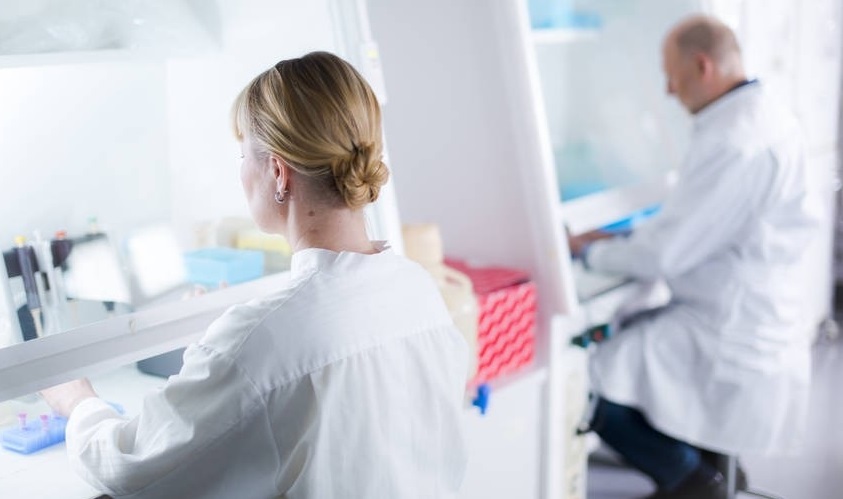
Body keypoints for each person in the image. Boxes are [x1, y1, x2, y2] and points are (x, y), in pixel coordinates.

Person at [41, 51, 469, 498]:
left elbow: (128, 467)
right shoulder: (417, 290)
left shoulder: (261, 343)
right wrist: (218, 354)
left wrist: (76, 401)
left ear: (279, 173)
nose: (241, 171)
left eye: (243, 154)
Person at [568, 15, 823, 499]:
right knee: (634, 342)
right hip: (749, 307)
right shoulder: (760, 116)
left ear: (703, 66)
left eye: (672, 75)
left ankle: (693, 480)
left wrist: (592, 251)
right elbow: (696, 223)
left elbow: (666, 254)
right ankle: (713, 471)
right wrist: (622, 237)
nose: (668, 90)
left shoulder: (734, 139)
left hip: (729, 324)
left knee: (589, 379)